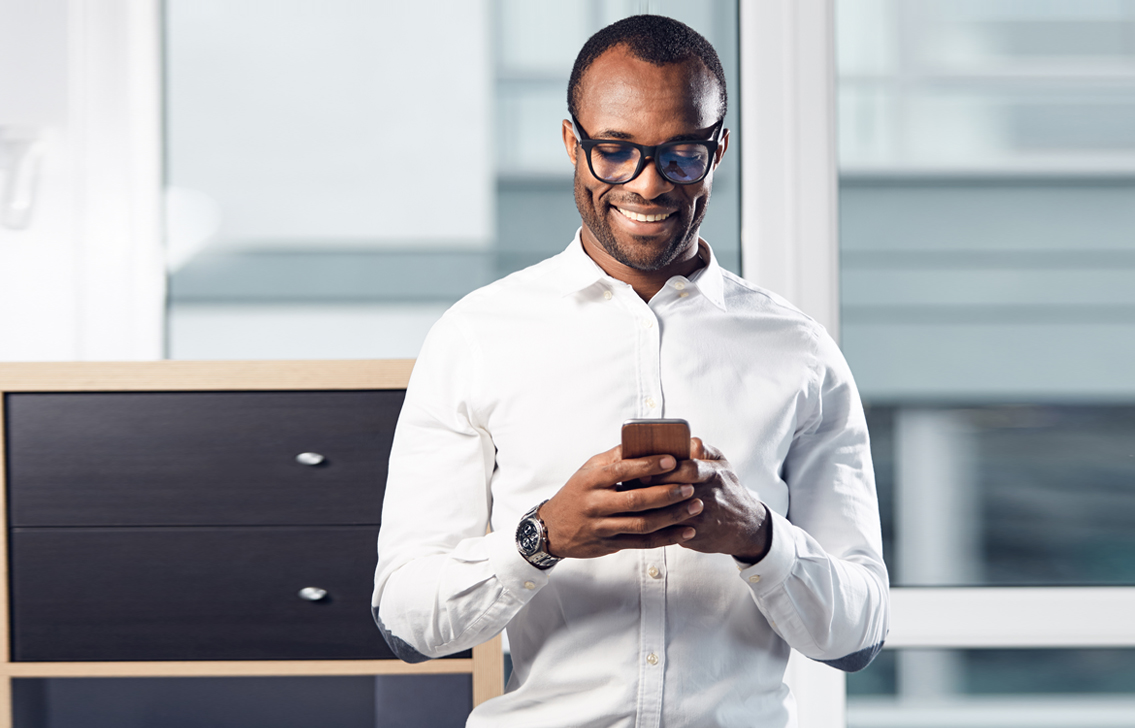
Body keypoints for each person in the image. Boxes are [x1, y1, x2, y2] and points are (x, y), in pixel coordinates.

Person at [372, 14, 888, 728]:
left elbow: (857, 633)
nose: (647, 186)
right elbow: (408, 621)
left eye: (680, 154)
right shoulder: (475, 337)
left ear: (718, 149)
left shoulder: (797, 350)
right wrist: (543, 537)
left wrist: (757, 536)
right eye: (614, 152)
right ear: (570, 144)